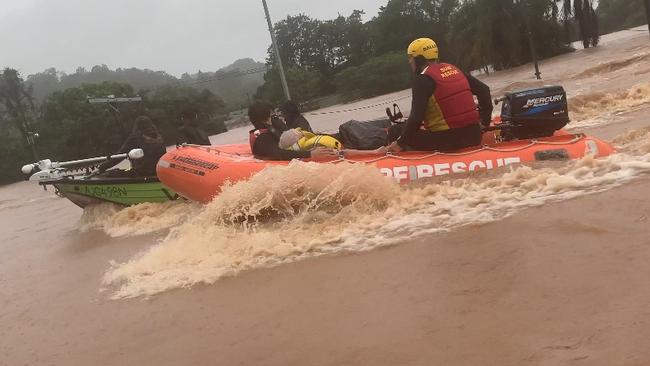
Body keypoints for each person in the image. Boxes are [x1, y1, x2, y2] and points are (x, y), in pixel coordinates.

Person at [384, 38, 493, 153]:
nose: (409, 62)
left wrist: (400, 143)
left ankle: (396, 160)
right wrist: (484, 123)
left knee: (395, 130)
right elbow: (484, 90)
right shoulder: (454, 69)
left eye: (411, 57)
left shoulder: (422, 80)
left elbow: (416, 119)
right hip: (474, 136)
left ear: (419, 59)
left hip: (448, 142)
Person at [248, 102, 338, 160]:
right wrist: (310, 154)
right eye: (271, 113)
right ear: (265, 115)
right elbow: (279, 154)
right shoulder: (262, 137)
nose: (274, 116)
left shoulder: (269, 129)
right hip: (276, 163)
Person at [97, 115, 167, 177]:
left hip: (142, 173)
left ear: (137, 126)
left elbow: (120, 156)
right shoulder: (159, 137)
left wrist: (102, 167)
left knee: (110, 175)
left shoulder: (135, 137)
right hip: (159, 172)